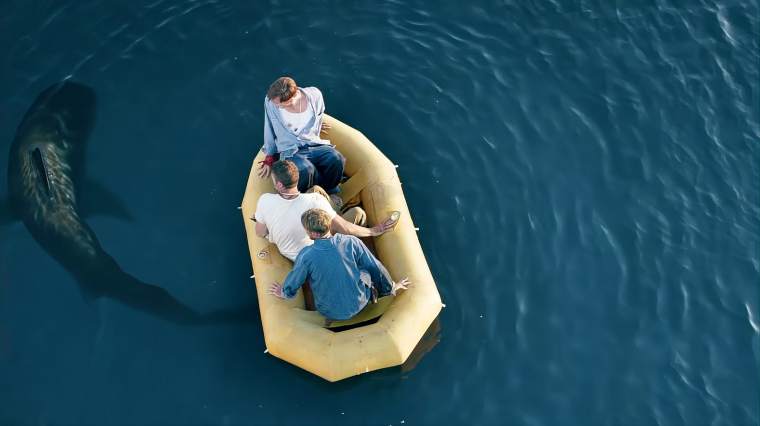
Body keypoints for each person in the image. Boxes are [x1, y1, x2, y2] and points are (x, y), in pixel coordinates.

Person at [268, 208, 410, 321]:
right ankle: (376, 293)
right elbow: (375, 267)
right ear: (329, 225)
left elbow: (295, 279)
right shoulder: (351, 242)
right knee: (365, 271)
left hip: (328, 311)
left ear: (312, 234)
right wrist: (391, 287)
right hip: (360, 303)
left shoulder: (305, 255)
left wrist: (284, 292)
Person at [253, 160, 399, 262]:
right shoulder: (314, 201)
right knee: (358, 213)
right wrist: (374, 231)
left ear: (279, 185)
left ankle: (334, 206)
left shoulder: (265, 200)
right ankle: (337, 206)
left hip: (292, 255)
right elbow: (346, 229)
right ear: (297, 178)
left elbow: (259, 232)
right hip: (317, 249)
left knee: (316, 190)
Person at [258, 76, 344, 202]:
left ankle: (329, 190)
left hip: (313, 143)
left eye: (282, 105)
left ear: (294, 95)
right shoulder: (270, 103)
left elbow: (319, 115)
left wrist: (316, 128)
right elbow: (269, 128)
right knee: (306, 169)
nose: (278, 107)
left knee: (336, 159)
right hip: (290, 149)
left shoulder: (315, 95)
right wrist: (270, 156)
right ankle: (305, 196)